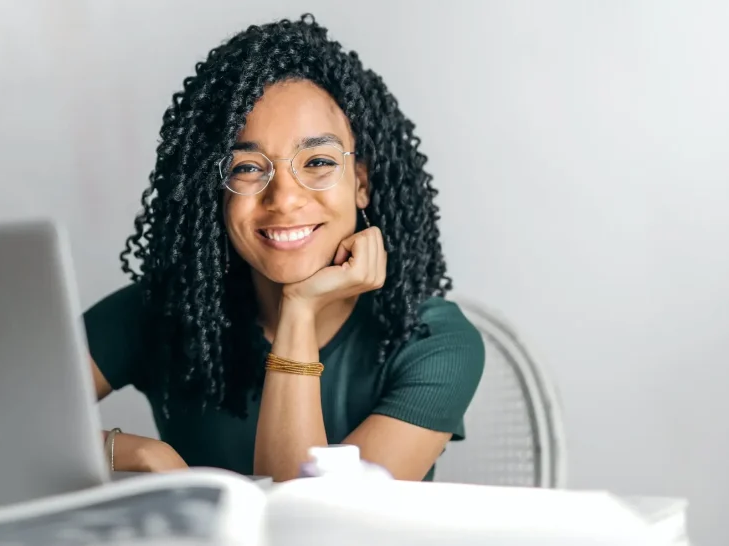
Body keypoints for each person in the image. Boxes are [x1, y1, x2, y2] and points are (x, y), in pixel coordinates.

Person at [84, 14, 484, 482]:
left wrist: (299, 309)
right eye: (248, 168)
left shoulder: (432, 341)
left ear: (362, 183)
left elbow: (313, 524)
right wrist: (138, 453)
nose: (285, 198)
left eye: (317, 161)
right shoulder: (163, 310)